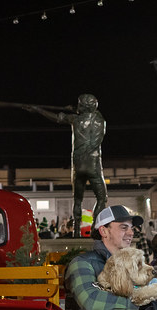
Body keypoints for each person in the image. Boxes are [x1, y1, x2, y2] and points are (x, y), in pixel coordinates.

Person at [22, 94, 107, 237]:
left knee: (77, 199)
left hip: (78, 165)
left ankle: (75, 232)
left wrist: (38, 110)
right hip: (93, 164)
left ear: (82, 106)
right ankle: (94, 228)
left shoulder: (75, 119)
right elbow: (96, 120)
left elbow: (57, 118)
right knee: (102, 198)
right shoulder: (100, 121)